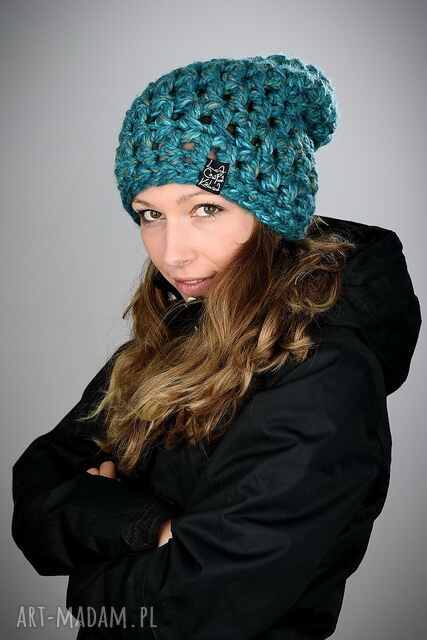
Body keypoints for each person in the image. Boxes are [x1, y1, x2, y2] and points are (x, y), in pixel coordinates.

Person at [11, 54, 421, 639]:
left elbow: (193, 609)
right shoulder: (173, 337)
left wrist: (88, 580)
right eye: (150, 214)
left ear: (271, 215)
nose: (172, 252)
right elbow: (36, 489)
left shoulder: (325, 375)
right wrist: (147, 528)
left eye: (206, 208)